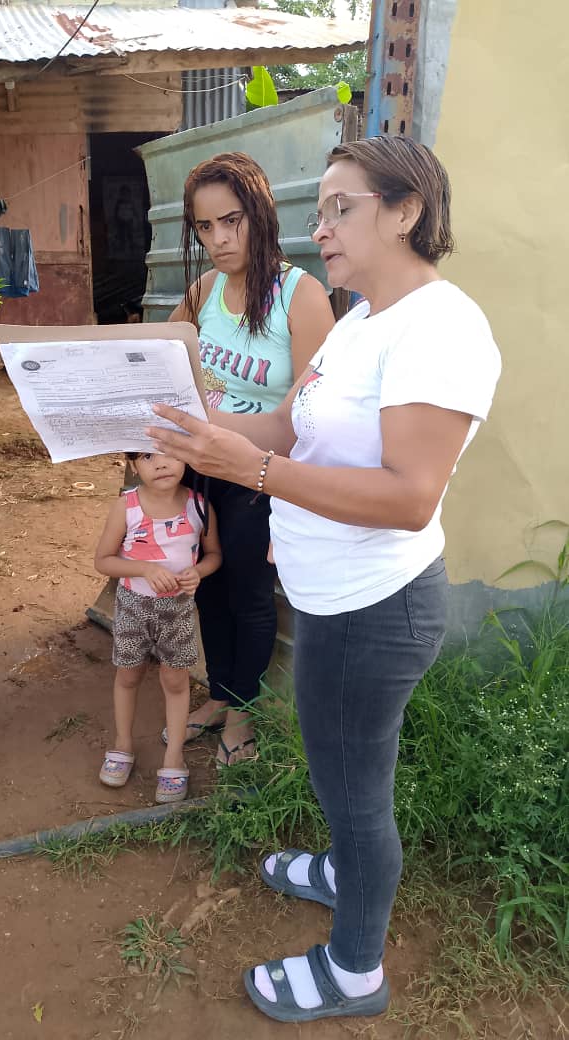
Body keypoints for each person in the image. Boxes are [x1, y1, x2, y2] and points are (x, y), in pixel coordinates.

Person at [147, 136, 501, 1022]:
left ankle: (354, 970)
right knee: (341, 771)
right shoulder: (358, 320)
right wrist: (210, 439)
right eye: (322, 211)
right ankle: (346, 870)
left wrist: (254, 472)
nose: (323, 227)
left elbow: (411, 496)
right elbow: (290, 425)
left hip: (374, 609)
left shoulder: (441, 326)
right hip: (331, 597)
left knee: (355, 795)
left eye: (341, 207)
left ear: (406, 210)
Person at [168, 151, 335, 767]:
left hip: (257, 476)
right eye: (204, 227)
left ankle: (241, 710)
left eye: (230, 221)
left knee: (250, 594)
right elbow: (159, 356)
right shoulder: (204, 290)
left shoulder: (303, 295)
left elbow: (301, 420)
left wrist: (212, 427)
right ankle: (220, 693)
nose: (218, 239)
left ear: (260, 215)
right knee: (207, 590)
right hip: (199, 473)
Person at [94, 451, 222, 804]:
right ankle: (122, 744)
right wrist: (145, 569)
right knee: (128, 676)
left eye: (171, 455)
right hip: (132, 607)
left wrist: (198, 572)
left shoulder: (199, 506)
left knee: (176, 682)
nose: (161, 464)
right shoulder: (127, 506)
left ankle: (173, 757)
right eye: (148, 457)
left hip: (178, 611)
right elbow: (103, 560)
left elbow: (214, 555)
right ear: (134, 465)